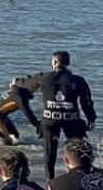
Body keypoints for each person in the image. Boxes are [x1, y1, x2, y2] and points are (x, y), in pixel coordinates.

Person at [14, 51, 97, 180]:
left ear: (54, 62)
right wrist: (91, 119)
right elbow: (86, 103)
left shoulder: (44, 78)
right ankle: (82, 178)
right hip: (72, 119)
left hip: (50, 120)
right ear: (68, 63)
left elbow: (26, 83)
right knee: (78, 151)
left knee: (49, 153)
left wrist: (16, 82)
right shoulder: (78, 81)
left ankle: (50, 183)